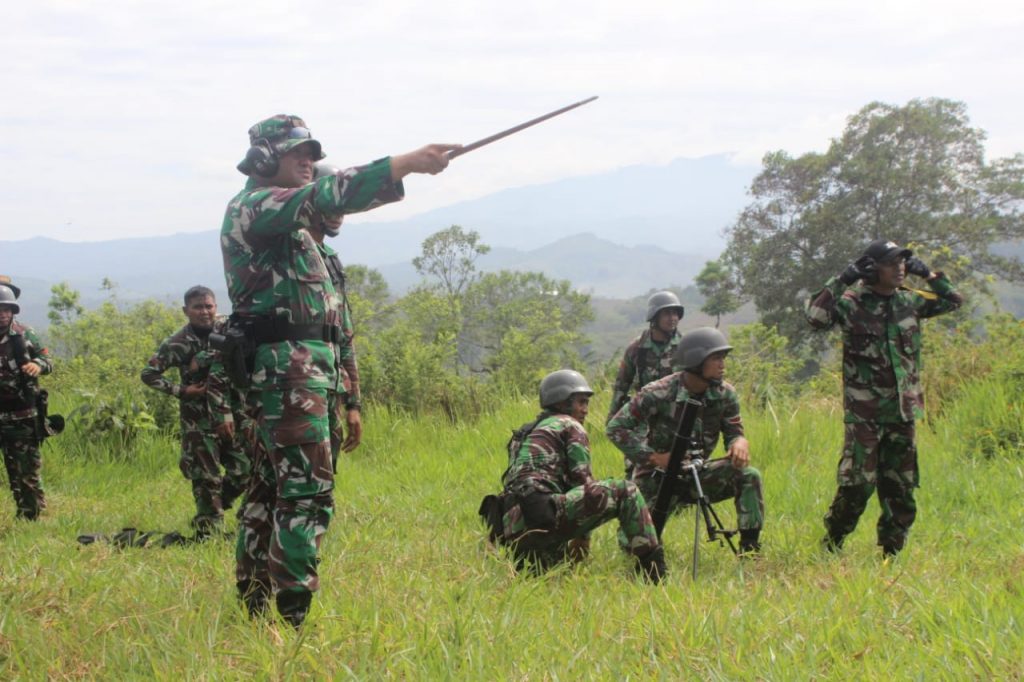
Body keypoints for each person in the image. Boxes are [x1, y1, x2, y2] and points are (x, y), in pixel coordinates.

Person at [224, 113, 458, 627]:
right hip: (288, 376)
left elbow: (335, 323)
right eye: (297, 153)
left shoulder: (303, 240)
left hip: (307, 377)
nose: (308, 161)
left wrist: (349, 396)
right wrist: (405, 163)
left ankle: (255, 600)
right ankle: (293, 617)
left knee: (270, 487)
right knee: (307, 493)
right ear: (264, 159)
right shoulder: (255, 207)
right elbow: (326, 196)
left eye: (312, 153)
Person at [806, 239, 963, 556]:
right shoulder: (852, 303)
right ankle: (834, 540)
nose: (900, 268)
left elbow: (954, 300)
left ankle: (892, 551)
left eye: (904, 262)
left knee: (900, 487)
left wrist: (929, 274)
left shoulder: (911, 302)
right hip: (865, 413)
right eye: (892, 262)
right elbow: (816, 317)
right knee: (857, 485)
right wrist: (844, 277)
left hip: (903, 412)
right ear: (872, 268)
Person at [606, 327, 764, 555]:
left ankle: (750, 551)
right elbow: (616, 428)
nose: (723, 365)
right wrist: (653, 457)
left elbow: (734, 431)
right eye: (715, 358)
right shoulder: (658, 392)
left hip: (697, 474)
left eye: (723, 358)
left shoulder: (725, 394)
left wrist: (739, 442)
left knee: (749, 475)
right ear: (696, 361)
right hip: (656, 478)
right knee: (634, 548)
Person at [498, 369, 666, 582]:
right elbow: (583, 483)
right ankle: (654, 574)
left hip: (515, 528)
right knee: (626, 491)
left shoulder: (525, 433)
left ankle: (540, 562)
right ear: (561, 402)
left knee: (550, 580)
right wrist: (582, 538)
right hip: (545, 516)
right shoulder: (569, 425)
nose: (585, 410)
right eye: (581, 402)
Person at [141, 286, 251, 535]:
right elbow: (149, 374)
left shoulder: (226, 328)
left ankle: (215, 507)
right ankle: (208, 529)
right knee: (206, 475)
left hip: (233, 414)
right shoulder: (177, 343)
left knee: (244, 469)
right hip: (198, 420)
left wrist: (205, 357)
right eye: (198, 307)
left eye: (209, 306)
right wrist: (181, 391)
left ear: (216, 307)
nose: (205, 312)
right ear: (186, 311)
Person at [0, 282, 54, 520]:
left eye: (6, 310)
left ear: (13, 311)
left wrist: (37, 366)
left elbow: (48, 361)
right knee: (12, 470)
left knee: (26, 470)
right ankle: (24, 513)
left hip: (22, 416)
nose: (2, 315)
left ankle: (32, 516)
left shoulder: (24, 334)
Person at [606, 290, 684, 426]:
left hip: (677, 416)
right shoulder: (636, 349)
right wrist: (613, 416)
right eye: (666, 313)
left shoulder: (686, 346)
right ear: (654, 317)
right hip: (646, 416)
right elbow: (621, 386)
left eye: (675, 313)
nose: (672, 318)